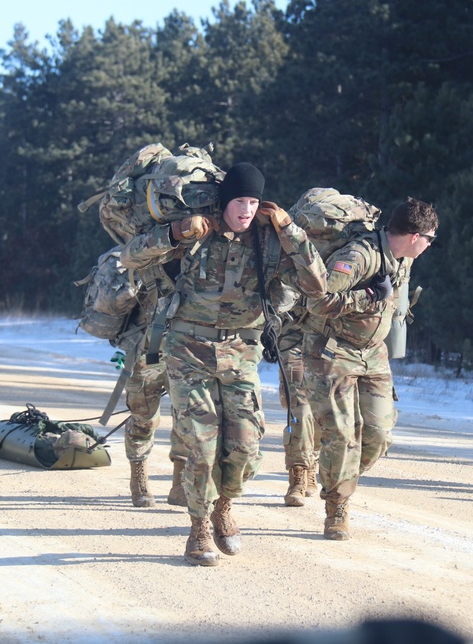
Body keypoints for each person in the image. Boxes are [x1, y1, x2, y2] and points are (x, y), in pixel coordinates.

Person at [120, 162, 326, 566]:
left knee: (247, 445)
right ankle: (198, 529)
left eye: (253, 201)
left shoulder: (269, 241)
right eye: (239, 200)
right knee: (200, 443)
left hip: (241, 352)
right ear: (225, 200)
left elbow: (317, 284)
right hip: (187, 349)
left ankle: (223, 507)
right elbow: (130, 256)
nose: (246, 209)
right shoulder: (197, 230)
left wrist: (291, 231)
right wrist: (174, 233)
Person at [303, 197, 438, 541]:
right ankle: (336, 508)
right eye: (430, 239)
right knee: (344, 435)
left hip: (372, 353)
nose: (429, 246)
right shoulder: (359, 257)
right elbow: (316, 301)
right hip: (334, 350)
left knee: (379, 434)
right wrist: (366, 297)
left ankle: (333, 470)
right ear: (413, 235)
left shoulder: (402, 259)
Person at [120, 262, 189, 508]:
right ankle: (138, 476)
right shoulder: (154, 237)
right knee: (144, 417)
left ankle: (180, 482)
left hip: (188, 348)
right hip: (145, 346)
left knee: (189, 416)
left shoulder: (209, 241)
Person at [276, 312, 322, 507]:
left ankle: (312, 459)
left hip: (330, 338)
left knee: (322, 409)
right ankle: (298, 475)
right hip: (293, 334)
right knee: (299, 409)